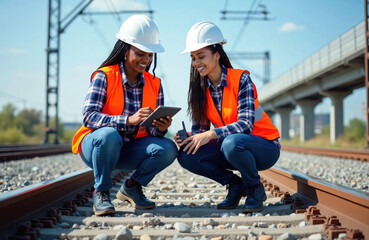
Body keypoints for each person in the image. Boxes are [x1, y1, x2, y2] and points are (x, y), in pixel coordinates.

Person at [72, 15, 178, 216]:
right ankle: (101, 193)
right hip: (97, 146)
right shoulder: (105, 76)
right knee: (108, 135)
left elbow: (152, 132)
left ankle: (132, 187)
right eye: (140, 53)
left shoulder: (155, 83)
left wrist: (161, 128)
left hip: (129, 148)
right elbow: (89, 116)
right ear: (125, 50)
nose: (146, 60)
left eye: (150, 55)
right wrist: (127, 120)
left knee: (169, 148)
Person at [175, 21, 280, 213]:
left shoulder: (241, 79)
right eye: (193, 58)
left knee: (231, 143)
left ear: (217, 54)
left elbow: (246, 124)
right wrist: (191, 137)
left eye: (201, 56)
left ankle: (254, 188)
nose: (196, 62)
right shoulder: (200, 91)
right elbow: (201, 132)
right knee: (187, 155)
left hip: (264, 147)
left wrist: (211, 134)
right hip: (232, 146)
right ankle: (235, 184)